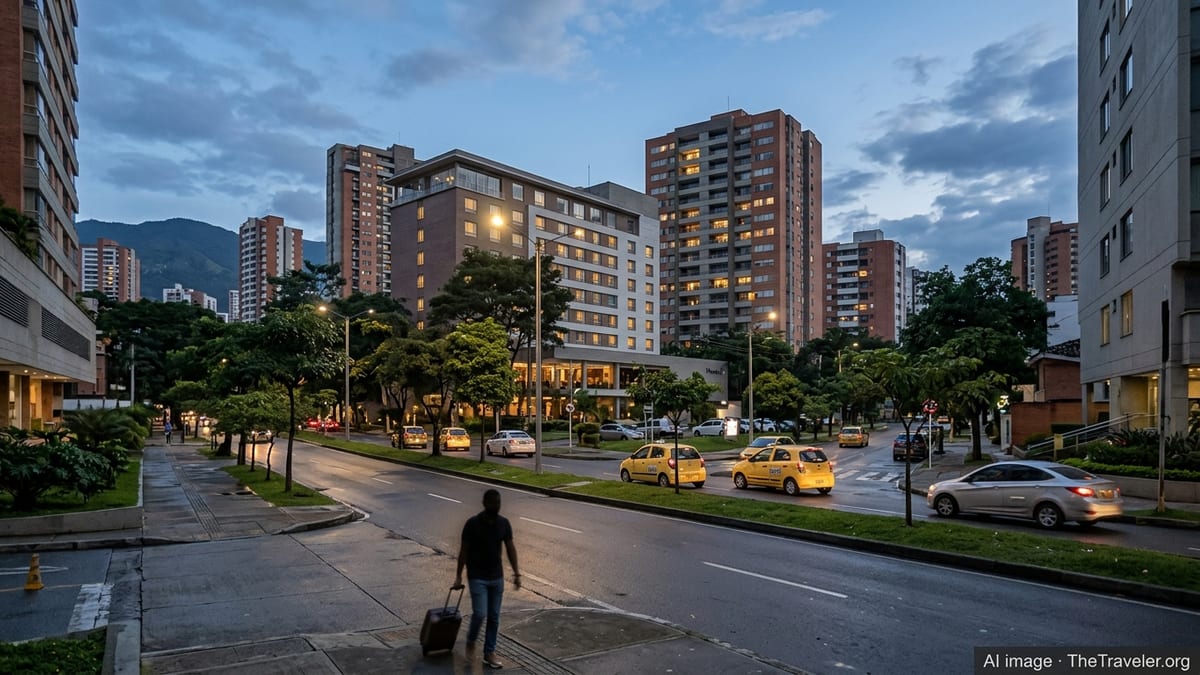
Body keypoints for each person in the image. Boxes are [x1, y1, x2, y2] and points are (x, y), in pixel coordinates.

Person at [455, 489, 520, 669]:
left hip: (496, 577)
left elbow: (510, 548)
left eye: (498, 502)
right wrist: (459, 576)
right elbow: (464, 551)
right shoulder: (472, 524)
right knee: (480, 614)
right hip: (477, 577)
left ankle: (489, 652)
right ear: (485, 503)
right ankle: (471, 641)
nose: (496, 506)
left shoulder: (503, 524)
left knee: (494, 617)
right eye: (493, 503)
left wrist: (516, 573)